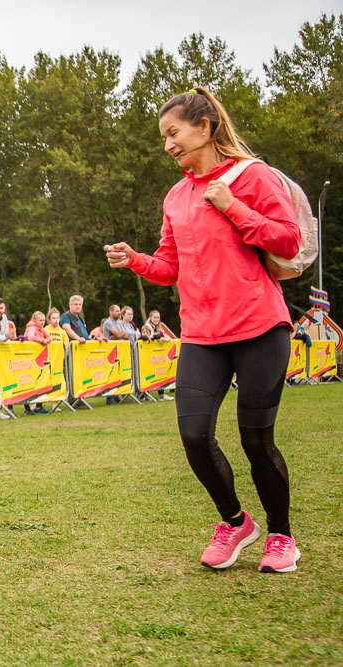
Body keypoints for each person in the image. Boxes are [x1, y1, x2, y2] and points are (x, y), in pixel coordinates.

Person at [104, 86, 301, 573]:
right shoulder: (176, 196)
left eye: (174, 134)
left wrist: (232, 205)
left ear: (205, 127)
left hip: (258, 326)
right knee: (194, 435)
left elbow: (289, 240)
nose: (168, 145)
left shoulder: (250, 176)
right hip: (200, 334)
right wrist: (135, 261)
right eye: (163, 138)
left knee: (256, 440)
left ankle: (281, 536)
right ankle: (235, 522)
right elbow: (169, 266)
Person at [22, 311, 53, 415]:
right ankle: (27, 408)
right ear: (34, 321)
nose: (43, 322)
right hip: (29, 360)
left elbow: (50, 337)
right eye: (40, 320)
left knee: (39, 382)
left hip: (37, 361)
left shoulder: (41, 329)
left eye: (44, 320)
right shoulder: (31, 328)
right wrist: (42, 340)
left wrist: (47, 339)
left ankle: (39, 406)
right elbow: (30, 337)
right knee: (28, 384)